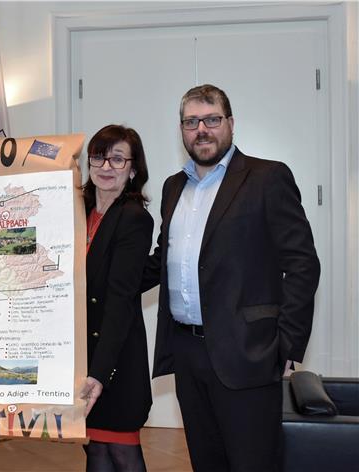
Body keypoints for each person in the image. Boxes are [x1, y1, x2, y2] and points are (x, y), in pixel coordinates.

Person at [143, 84, 320, 471]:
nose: (201, 130)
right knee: (206, 462)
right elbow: (164, 259)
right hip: (187, 353)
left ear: (231, 123)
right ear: (181, 129)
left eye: (211, 119)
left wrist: (287, 345)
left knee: (253, 463)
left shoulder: (267, 177)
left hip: (248, 352)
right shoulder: (173, 187)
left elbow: (303, 263)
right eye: (191, 122)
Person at [79, 125, 154, 471]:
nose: (106, 167)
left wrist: (99, 372)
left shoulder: (134, 219)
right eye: (99, 157)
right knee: (96, 449)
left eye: (118, 159)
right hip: (83, 354)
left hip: (114, 358)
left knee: (122, 450)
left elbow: (121, 299)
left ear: (133, 169)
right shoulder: (77, 211)